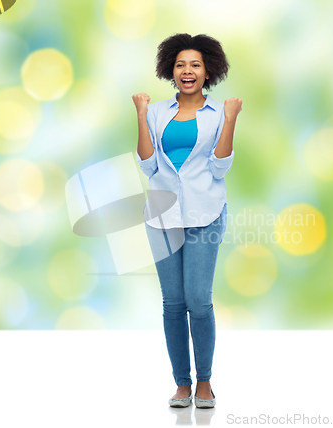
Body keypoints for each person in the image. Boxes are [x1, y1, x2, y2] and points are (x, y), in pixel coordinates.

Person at [132, 33, 242, 408]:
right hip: (162, 215)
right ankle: (182, 384)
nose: (187, 71)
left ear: (208, 69)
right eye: (180, 65)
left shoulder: (215, 114)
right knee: (173, 303)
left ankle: (205, 383)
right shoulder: (158, 112)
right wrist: (141, 114)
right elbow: (147, 165)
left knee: (199, 299)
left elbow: (220, 166)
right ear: (171, 70)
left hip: (205, 213)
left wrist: (230, 120)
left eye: (195, 64)